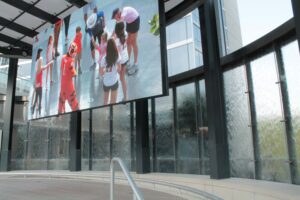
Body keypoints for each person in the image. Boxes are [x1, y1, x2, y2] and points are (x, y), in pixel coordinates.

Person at [112, 7, 140, 75]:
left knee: (133, 42)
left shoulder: (123, 15)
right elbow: (117, 26)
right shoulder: (120, 16)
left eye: (115, 17)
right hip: (129, 22)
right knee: (128, 42)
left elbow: (117, 27)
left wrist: (113, 37)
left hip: (135, 21)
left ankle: (136, 64)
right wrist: (112, 36)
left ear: (117, 14)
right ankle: (128, 61)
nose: (115, 18)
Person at [58, 42, 80, 114]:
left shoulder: (63, 57)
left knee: (61, 101)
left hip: (62, 83)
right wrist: (75, 72)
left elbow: (61, 69)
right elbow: (74, 74)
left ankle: (60, 115)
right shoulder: (71, 61)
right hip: (69, 86)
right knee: (74, 104)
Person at [31, 48, 52, 117]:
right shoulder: (39, 69)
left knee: (39, 98)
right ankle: (35, 109)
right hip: (38, 85)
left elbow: (45, 66)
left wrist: (50, 62)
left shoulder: (39, 68)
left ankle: (36, 110)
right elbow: (44, 66)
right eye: (41, 62)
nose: (42, 62)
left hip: (39, 85)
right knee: (37, 98)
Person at [100, 38, 121, 105]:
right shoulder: (117, 56)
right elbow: (119, 70)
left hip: (106, 82)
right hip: (114, 81)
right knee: (113, 102)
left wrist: (106, 70)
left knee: (105, 102)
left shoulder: (104, 59)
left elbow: (101, 72)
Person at [115, 21, 128, 101]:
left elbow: (118, 54)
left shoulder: (117, 40)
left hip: (121, 60)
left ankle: (125, 97)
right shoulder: (125, 34)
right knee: (122, 78)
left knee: (122, 79)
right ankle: (125, 96)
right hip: (126, 57)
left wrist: (117, 65)